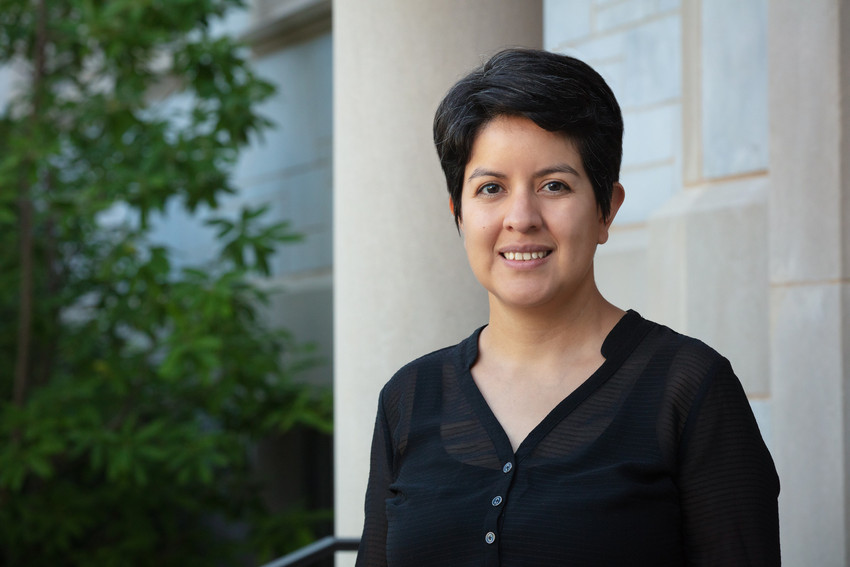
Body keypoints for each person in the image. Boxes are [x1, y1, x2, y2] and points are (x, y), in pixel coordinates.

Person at [355, 48, 780, 566]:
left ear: (607, 209)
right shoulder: (408, 397)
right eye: (491, 188)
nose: (521, 217)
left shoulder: (689, 389)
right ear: (459, 215)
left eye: (554, 185)